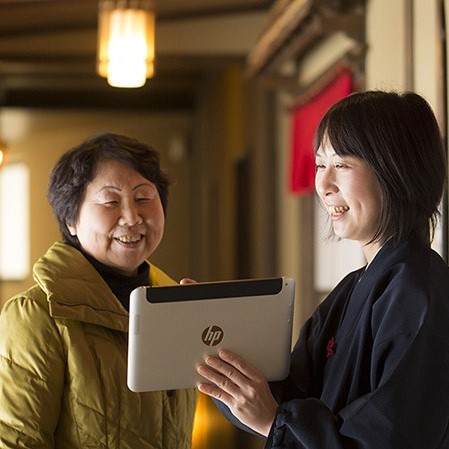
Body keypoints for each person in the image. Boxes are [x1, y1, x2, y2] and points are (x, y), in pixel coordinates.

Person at [196, 91, 449, 448]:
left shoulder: (418, 292)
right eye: (319, 165)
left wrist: (274, 421)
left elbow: (391, 437)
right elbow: (292, 389)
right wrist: (206, 327)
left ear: (397, 170)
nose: (324, 186)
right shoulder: (352, 288)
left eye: (342, 165)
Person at [0, 133, 197, 448]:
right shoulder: (36, 314)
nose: (132, 217)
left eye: (144, 197)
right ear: (71, 219)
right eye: (111, 201)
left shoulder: (175, 306)